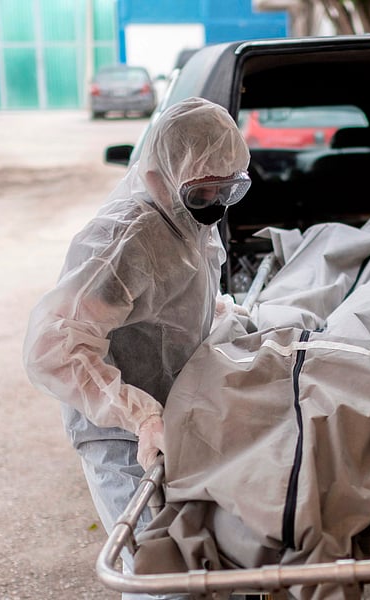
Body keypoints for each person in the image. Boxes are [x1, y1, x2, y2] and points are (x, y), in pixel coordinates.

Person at [23, 97, 251, 600]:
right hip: (123, 439)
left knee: (192, 570)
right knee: (157, 578)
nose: (214, 199)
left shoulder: (190, 224)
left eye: (227, 187)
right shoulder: (126, 238)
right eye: (203, 189)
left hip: (173, 423)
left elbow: (178, 306)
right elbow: (55, 345)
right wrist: (138, 416)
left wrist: (226, 318)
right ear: (163, 173)